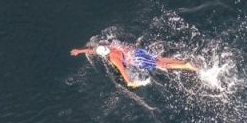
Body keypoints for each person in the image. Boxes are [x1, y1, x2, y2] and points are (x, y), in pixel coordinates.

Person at [70, 42, 198, 88]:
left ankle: (186, 66)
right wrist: (79, 51)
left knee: (161, 65)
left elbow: (122, 70)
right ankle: (182, 61)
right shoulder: (110, 47)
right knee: (158, 59)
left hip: (137, 60)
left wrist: (129, 82)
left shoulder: (113, 59)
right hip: (137, 52)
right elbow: (93, 50)